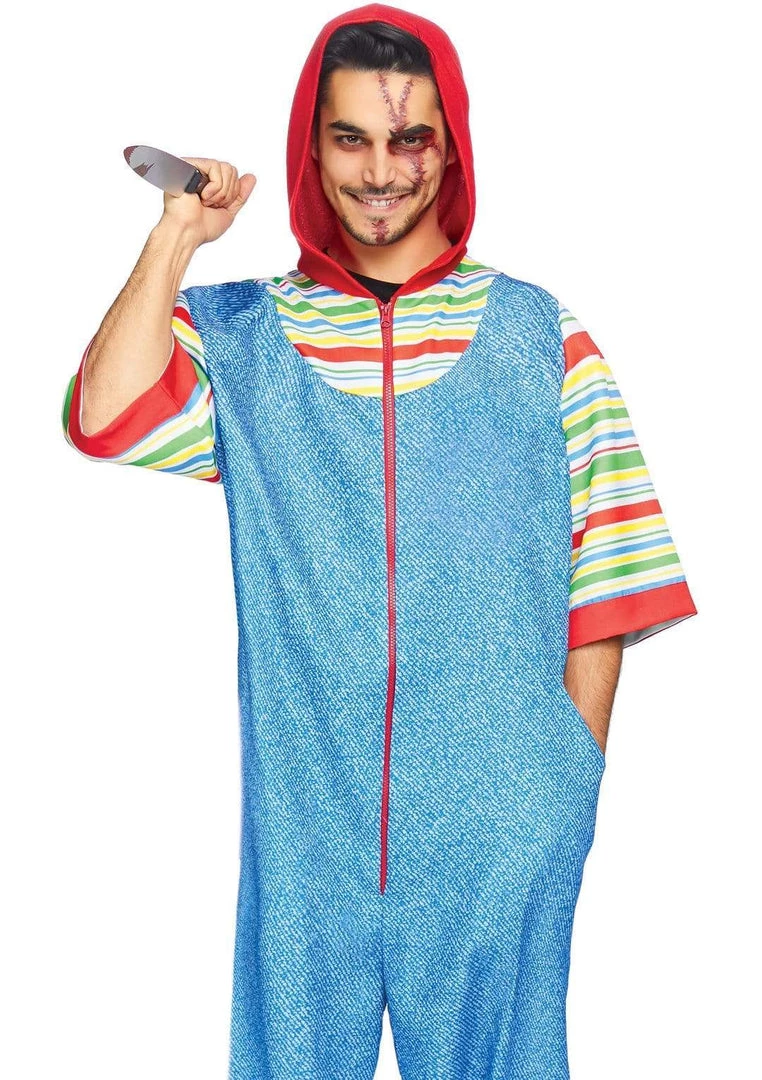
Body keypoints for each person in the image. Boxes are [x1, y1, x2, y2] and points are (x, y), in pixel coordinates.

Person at [61, 5, 698, 1078]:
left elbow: (614, 564)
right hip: (307, 829)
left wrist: (561, 779)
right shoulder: (242, 337)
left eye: (410, 139)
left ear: (451, 148)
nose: (381, 172)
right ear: (310, 149)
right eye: (350, 137)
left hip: (499, 820)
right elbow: (105, 414)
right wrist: (177, 234)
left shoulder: (542, 336)